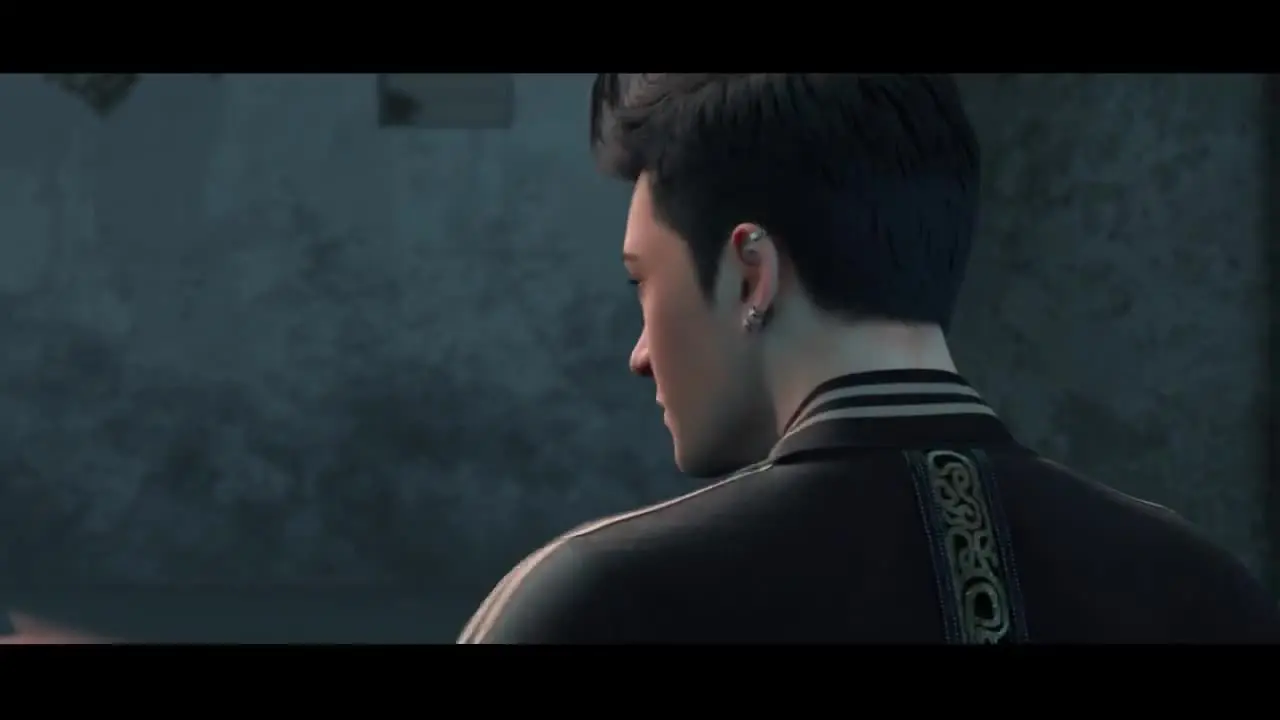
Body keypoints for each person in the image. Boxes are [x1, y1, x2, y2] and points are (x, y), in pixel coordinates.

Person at [457, 74, 1280, 643]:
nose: (640, 354)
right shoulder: (1200, 590)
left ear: (751, 271)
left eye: (643, 282)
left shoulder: (601, 602)